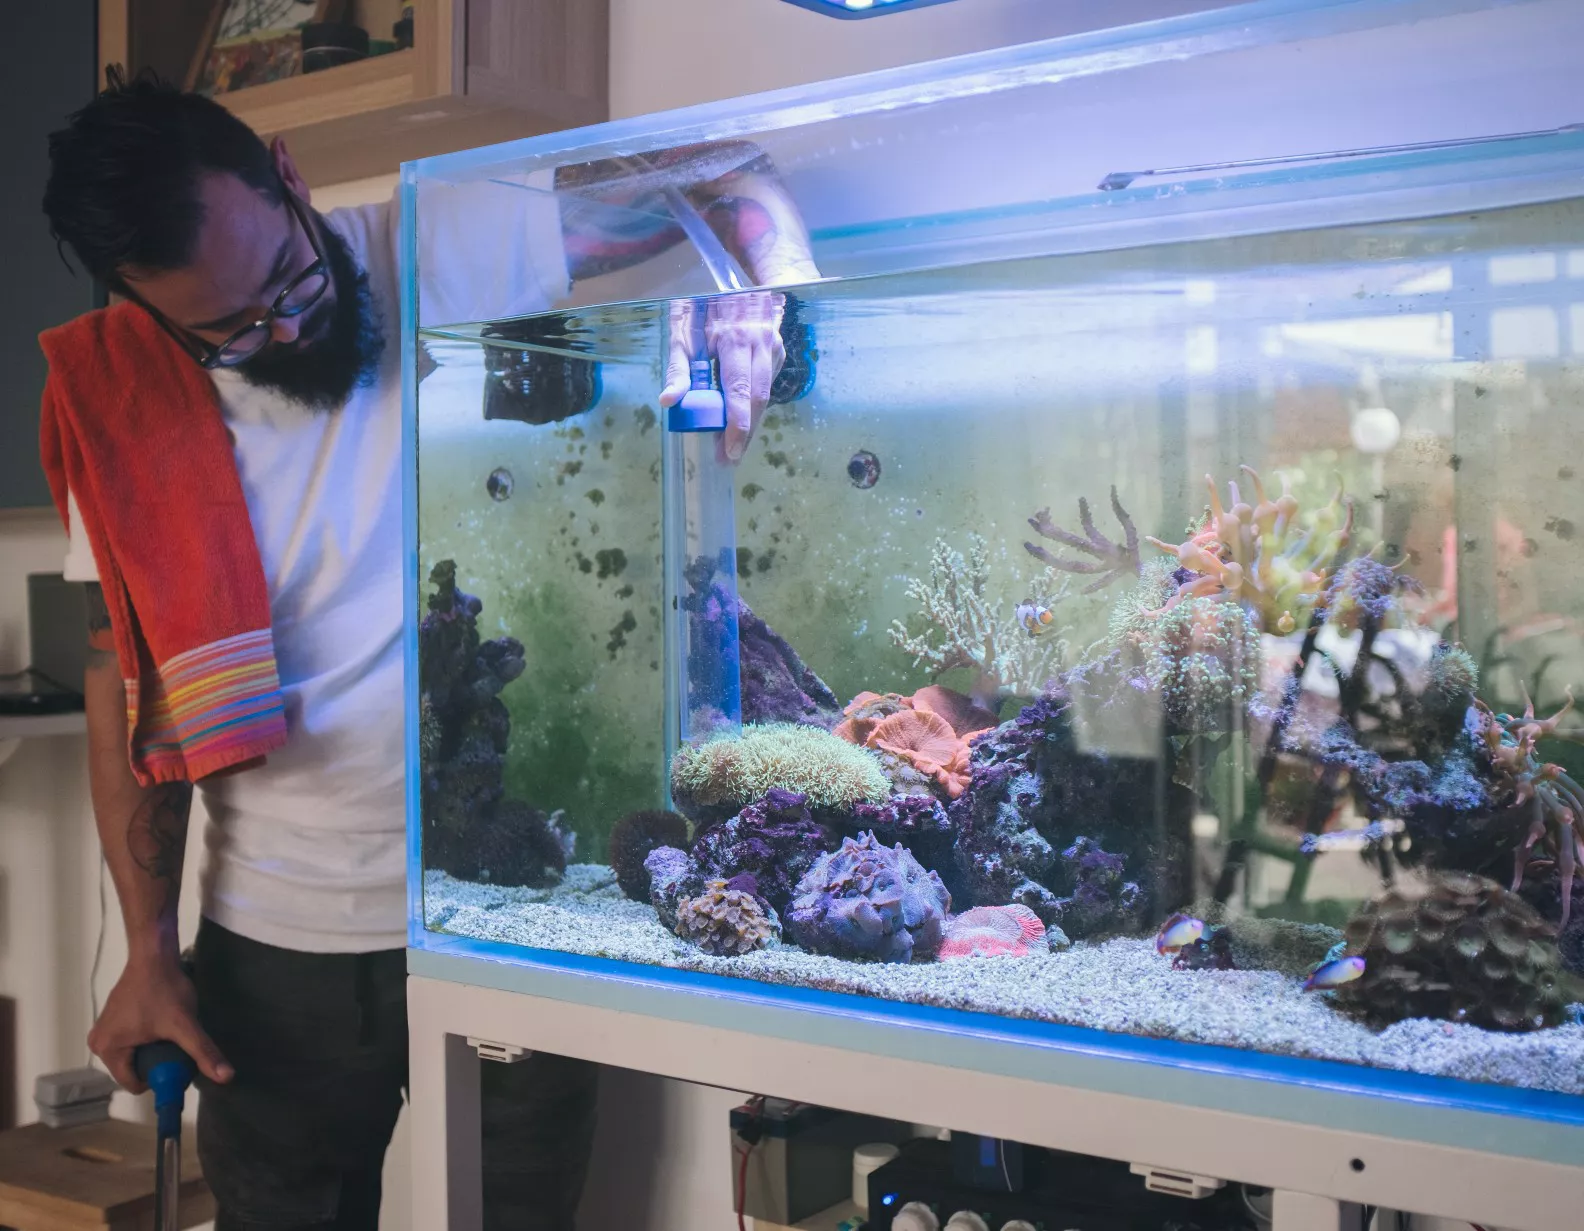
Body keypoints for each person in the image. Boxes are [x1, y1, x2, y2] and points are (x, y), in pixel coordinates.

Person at [40, 70, 818, 1231]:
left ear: (292, 179)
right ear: (150, 316)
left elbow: (728, 167)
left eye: (288, 280)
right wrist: (149, 952)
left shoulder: (435, 245)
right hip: (271, 947)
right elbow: (125, 680)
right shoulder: (120, 394)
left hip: (498, 910)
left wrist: (770, 291)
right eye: (228, 331)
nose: (283, 328)